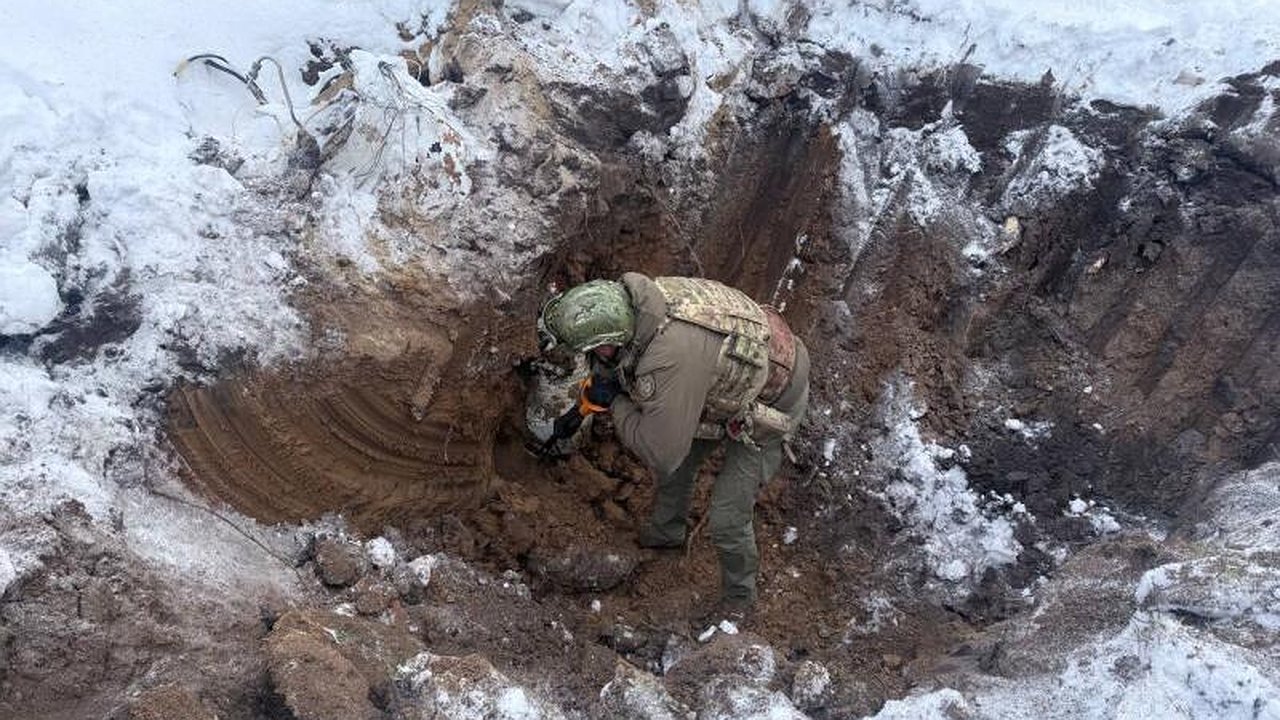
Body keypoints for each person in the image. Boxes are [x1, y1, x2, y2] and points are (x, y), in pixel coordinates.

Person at [536, 273, 810, 615]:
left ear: (612, 340)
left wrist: (618, 402)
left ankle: (739, 601)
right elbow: (615, 366)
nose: (591, 355)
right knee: (681, 458)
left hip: (774, 400)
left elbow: (662, 453)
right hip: (722, 377)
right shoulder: (635, 306)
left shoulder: (668, 358)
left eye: (593, 349)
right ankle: (666, 534)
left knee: (726, 518)